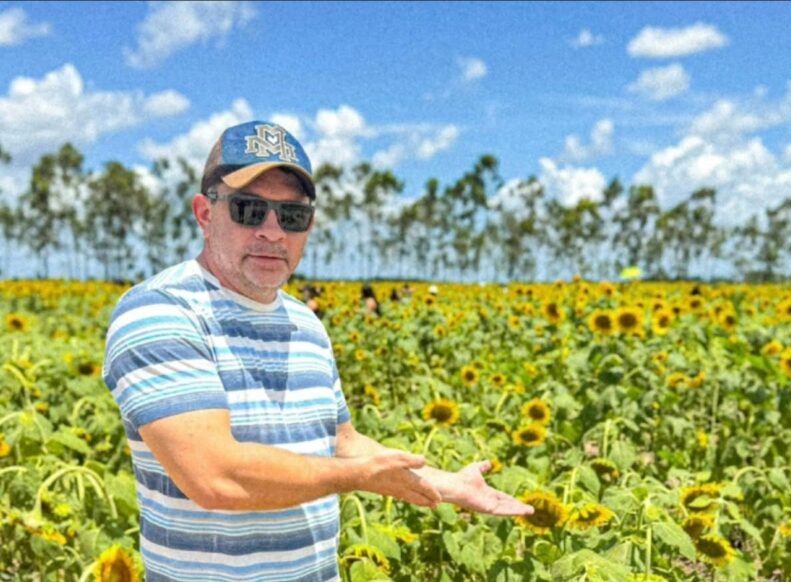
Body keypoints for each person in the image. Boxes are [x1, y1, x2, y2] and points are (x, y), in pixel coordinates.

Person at [102, 120, 531, 581]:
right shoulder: (161, 312)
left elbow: (342, 443)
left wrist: (448, 485)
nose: (272, 231)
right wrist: (358, 478)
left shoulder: (305, 323)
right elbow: (215, 476)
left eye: (292, 216)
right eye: (249, 209)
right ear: (205, 213)